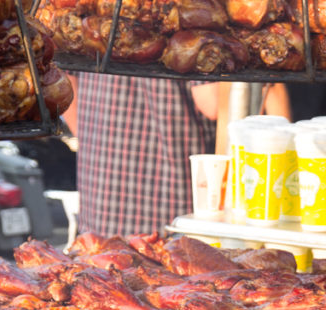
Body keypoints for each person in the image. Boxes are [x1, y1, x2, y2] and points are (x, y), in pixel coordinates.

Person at [65, 74, 219, 236]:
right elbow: (211, 102)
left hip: (101, 209)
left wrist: (90, 138)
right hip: (172, 216)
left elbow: (62, 80)